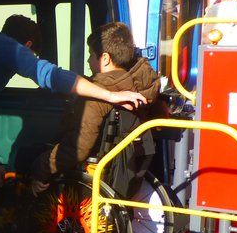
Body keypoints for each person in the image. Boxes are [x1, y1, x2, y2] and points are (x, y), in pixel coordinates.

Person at [0, 15, 146, 185]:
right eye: (31, 56)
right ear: (27, 45)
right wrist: (110, 96)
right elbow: (51, 75)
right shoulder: (8, 48)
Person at [35, 21, 160, 178]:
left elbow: (77, 149)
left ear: (105, 58)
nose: (88, 60)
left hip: (94, 175)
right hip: (130, 173)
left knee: (27, 159)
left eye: (91, 55)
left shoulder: (95, 96)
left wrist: (42, 167)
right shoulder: (145, 87)